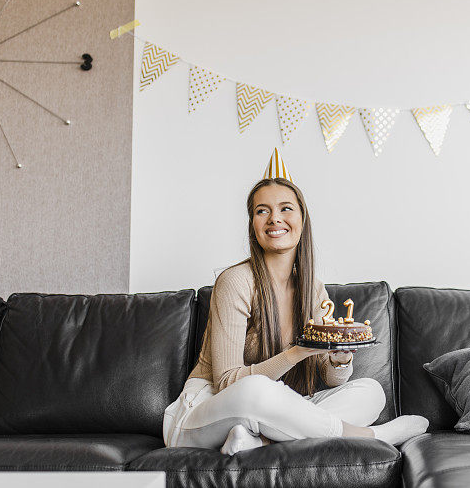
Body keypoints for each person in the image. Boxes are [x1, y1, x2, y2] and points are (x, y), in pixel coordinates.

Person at [162, 176, 429, 455]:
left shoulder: (312, 289)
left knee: (371, 391)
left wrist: (340, 360)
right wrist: (296, 352)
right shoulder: (236, 281)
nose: (274, 218)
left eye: (285, 208)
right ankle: (372, 435)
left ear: (302, 219)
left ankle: (258, 443)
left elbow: (333, 379)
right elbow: (228, 383)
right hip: (203, 414)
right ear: (253, 226)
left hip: (268, 413)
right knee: (256, 389)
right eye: (262, 210)